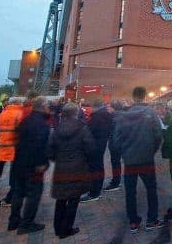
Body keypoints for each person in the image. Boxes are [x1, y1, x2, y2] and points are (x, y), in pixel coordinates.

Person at [111, 86, 163, 233]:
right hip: (146, 159)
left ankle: (133, 221)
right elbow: (158, 135)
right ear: (145, 96)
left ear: (133, 97)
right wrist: (152, 151)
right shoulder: (150, 113)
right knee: (151, 189)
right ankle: (152, 220)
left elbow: (116, 139)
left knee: (130, 191)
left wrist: (124, 153)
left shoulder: (123, 115)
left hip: (129, 160)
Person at [48, 103, 95, 239]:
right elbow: (90, 148)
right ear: (76, 113)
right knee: (73, 200)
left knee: (61, 199)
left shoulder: (56, 129)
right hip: (78, 167)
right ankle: (66, 228)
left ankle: (58, 228)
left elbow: (50, 150)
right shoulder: (82, 128)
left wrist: (59, 159)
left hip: (61, 168)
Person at [8, 97, 51, 235]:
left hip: (19, 162)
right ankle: (26, 223)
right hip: (33, 165)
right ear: (43, 107)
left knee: (18, 192)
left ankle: (14, 220)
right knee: (34, 194)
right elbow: (39, 145)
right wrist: (41, 163)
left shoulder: (25, 120)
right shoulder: (42, 124)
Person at [0, 97, 24, 205]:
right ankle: (12, 186)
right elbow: (21, 128)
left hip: (3, 142)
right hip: (14, 144)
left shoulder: (3, 113)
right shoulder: (19, 113)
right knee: (13, 167)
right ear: (17, 103)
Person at [80, 99, 114, 202]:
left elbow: (90, 130)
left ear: (94, 107)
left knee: (95, 168)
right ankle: (96, 189)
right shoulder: (107, 114)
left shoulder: (97, 116)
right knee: (99, 166)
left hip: (95, 145)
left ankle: (94, 192)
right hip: (102, 143)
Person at [103, 100, 124, 191]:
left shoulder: (116, 118)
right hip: (121, 143)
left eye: (109, 107)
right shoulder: (121, 115)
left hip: (116, 145)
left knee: (115, 163)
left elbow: (115, 134)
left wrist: (113, 145)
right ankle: (117, 181)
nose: (107, 108)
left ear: (113, 108)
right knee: (117, 163)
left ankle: (116, 182)